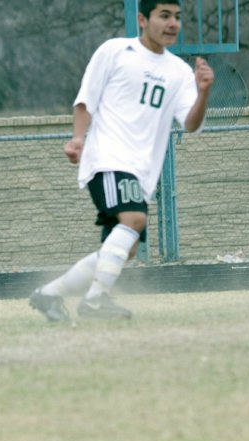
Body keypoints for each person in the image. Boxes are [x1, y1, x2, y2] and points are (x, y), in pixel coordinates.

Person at [29, 0, 214, 321]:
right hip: (108, 157)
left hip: (141, 172)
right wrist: (77, 138)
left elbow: (191, 124)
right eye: (165, 16)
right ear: (143, 19)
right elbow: (85, 100)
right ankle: (96, 300)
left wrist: (204, 93)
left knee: (122, 250)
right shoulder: (115, 51)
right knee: (134, 221)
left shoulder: (179, 72)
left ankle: (48, 295)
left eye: (177, 17)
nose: (173, 24)